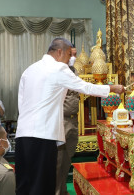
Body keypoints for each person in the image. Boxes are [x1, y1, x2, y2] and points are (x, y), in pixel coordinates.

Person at [15, 38, 125, 195]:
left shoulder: (30, 69)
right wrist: (113, 88)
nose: (70, 60)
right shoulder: (59, 68)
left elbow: (21, 102)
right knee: (43, 186)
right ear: (59, 52)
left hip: (22, 135)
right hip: (43, 136)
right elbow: (85, 87)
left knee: (24, 185)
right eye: (68, 55)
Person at [56, 47, 79, 195]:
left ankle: (63, 190)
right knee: (57, 161)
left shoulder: (74, 71)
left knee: (67, 160)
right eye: (71, 54)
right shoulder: (57, 72)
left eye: (75, 55)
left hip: (73, 121)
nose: (74, 57)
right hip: (60, 121)